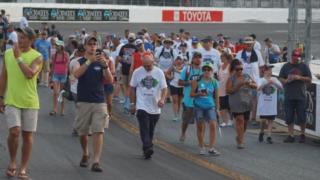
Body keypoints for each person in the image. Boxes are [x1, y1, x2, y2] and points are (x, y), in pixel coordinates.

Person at [0, 27, 42, 179]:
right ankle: (12, 162)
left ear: (31, 40)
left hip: (30, 101)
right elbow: (3, 76)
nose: (20, 40)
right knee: (14, 131)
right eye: (19, 37)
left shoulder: (37, 56)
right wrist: (0, 97)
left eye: (23, 37)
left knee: (27, 136)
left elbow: (30, 74)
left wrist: (19, 58)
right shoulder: (8, 53)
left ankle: (23, 168)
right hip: (12, 100)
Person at [73, 35, 113, 172]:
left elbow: (109, 80)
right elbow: (76, 75)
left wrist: (105, 66)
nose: (92, 46)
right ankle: (85, 153)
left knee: (98, 130)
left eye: (94, 44)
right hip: (84, 101)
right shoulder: (79, 61)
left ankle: (96, 161)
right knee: (83, 132)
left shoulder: (101, 62)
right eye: (90, 44)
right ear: (85, 46)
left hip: (99, 101)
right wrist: (89, 62)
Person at [129, 53, 168, 159]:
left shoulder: (159, 72)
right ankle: (147, 146)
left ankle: (147, 148)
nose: (147, 68)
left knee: (150, 129)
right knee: (144, 126)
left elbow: (164, 88)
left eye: (149, 65)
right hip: (142, 105)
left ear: (153, 62)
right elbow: (132, 88)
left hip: (155, 106)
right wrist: (132, 104)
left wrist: (162, 99)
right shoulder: (137, 72)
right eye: (145, 65)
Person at [279, 48, 312, 143]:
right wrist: (286, 81)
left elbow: (310, 79)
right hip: (289, 95)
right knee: (289, 116)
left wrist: (299, 77)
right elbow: (280, 77)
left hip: (300, 95)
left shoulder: (304, 66)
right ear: (291, 56)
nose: (296, 58)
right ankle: (291, 135)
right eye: (295, 56)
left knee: (302, 116)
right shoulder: (286, 66)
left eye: (298, 56)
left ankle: (302, 134)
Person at [190, 62, 220, 156]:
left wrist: (218, 109)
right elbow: (191, 94)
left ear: (212, 71)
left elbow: (216, 97)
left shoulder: (214, 82)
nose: (206, 71)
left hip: (210, 106)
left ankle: (211, 148)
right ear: (202, 71)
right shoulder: (197, 81)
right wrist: (199, 94)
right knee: (200, 126)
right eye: (205, 69)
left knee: (213, 125)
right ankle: (201, 146)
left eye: (209, 69)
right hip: (199, 106)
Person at [226, 59, 257, 149]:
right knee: (240, 120)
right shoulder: (231, 78)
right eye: (237, 69)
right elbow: (228, 91)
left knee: (245, 123)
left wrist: (251, 84)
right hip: (235, 102)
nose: (240, 71)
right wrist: (239, 85)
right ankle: (241, 142)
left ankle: (239, 137)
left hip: (246, 102)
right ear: (234, 69)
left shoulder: (246, 76)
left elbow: (256, 85)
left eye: (241, 69)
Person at [236, 36, 265, 125]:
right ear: (244, 45)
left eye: (250, 44)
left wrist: (260, 80)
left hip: (254, 81)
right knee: (243, 99)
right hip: (243, 81)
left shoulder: (257, 53)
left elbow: (261, 67)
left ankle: (253, 118)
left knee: (253, 100)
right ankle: (244, 117)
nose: (248, 45)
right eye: (247, 44)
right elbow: (236, 67)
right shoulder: (240, 54)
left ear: (253, 44)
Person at [178, 52, 203, 142]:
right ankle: (183, 133)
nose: (198, 59)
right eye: (196, 57)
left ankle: (201, 139)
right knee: (186, 121)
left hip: (200, 100)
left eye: (200, 57)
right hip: (188, 100)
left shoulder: (203, 70)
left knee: (200, 122)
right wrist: (189, 82)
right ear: (192, 59)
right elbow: (180, 82)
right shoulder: (187, 69)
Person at [257, 65, 283, 144]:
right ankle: (261, 132)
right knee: (263, 120)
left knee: (271, 120)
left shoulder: (274, 79)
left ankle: (269, 136)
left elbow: (281, 87)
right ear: (265, 71)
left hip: (272, 104)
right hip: (263, 104)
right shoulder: (261, 79)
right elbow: (258, 88)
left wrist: (274, 83)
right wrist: (267, 83)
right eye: (269, 70)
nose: (270, 72)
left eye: (271, 70)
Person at [117, 32, 138, 112]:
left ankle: (127, 102)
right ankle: (130, 103)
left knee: (126, 86)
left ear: (128, 39)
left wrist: (123, 61)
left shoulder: (124, 47)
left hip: (125, 68)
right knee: (131, 87)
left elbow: (119, 58)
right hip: (133, 70)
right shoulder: (136, 48)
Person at [49, 40, 69, 116]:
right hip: (56, 75)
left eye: (58, 45)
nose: (56, 47)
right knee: (55, 93)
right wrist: (50, 77)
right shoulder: (54, 55)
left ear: (62, 46)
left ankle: (62, 109)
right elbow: (53, 66)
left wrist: (69, 75)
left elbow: (68, 65)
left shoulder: (66, 54)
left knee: (62, 93)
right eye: (56, 45)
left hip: (63, 75)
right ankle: (54, 109)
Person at [165, 56, 184, 121]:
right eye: (177, 59)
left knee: (179, 101)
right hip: (173, 85)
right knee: (175, 100)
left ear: (182, 61)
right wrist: (170, 78)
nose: (178, 61)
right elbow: (167, 73)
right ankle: (175, 115)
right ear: (175, 61)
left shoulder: (185, 68)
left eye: (180, 59)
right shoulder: (172, 67)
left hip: (182, 86)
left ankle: (178, 114)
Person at [218, 52, 233, 127]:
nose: (221, 59)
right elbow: (219, 77)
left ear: (226, 58)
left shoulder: (230, 66)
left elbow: (232, 76)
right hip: (220, 88)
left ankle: (230, 120)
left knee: (229, 105)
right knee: (222, 105)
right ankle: (224, 121)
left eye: (222, 57)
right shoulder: (220, 66)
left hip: (227, 88)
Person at [102, 49, 116, 119]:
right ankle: (104, 114)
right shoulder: (99, 62)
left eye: (103, 54)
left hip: (109, 83)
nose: (102, 55)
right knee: (102, 101)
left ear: (106, 55)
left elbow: (113, 71)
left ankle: (109, 113)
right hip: (101, 83)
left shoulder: (110, 62)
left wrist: (106, 71)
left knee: (109, 102)